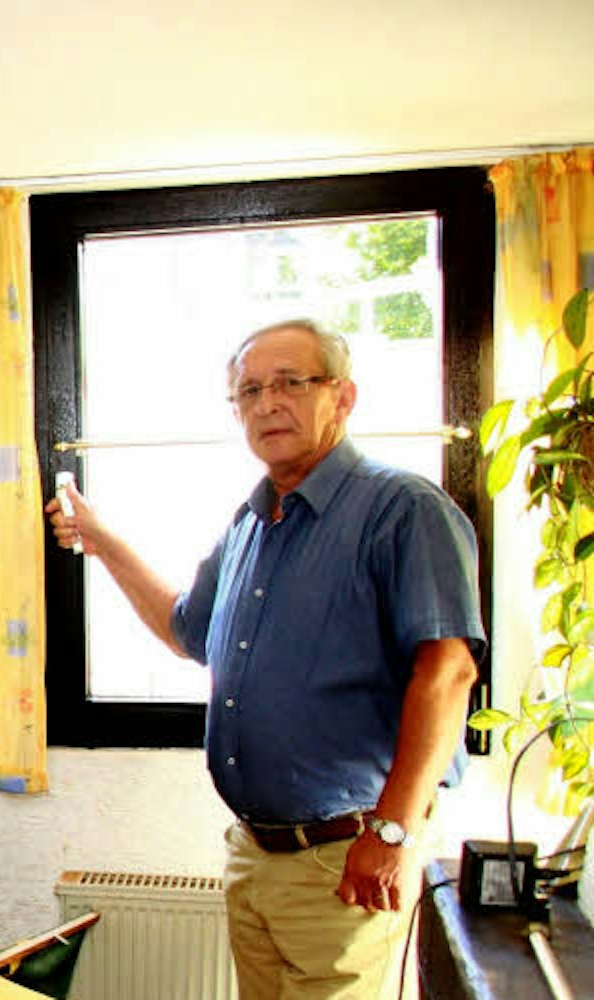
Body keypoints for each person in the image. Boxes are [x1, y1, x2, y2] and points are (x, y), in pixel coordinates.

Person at [45, 319, 484, 1000]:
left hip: (346, 857)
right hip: (255, 853)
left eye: (290, 383)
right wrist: (100, 541)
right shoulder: (252, 522)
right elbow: (185, 630)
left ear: (342, 396)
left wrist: (392, 834)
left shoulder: (403, 509)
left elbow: (449, 673)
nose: (267, 403)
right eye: (249, 391)